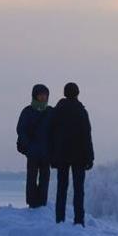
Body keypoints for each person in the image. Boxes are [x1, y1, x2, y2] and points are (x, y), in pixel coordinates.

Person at [49, 82, 94, 225]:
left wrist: (53, 155)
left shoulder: (57, 111)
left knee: (61, 189)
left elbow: (51, 134)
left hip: (61, 156)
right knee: (78, 190)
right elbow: (87, 135)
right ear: (77, 93)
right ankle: (79, 221)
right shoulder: (81, 111)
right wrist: (90, 157)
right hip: (79, 157)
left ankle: (59, 219)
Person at [16, 83, 52, 208]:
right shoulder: (27, 112)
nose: (43, 98)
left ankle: (42, 202)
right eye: (41, 96)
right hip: (33, 152)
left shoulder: (50, 112)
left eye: (45, 96)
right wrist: (29, 147)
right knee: (31, 178)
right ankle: (32, 202)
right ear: (35, 96)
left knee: (45, 178)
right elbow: (21, 130)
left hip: (47, 152)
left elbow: (57, 130)